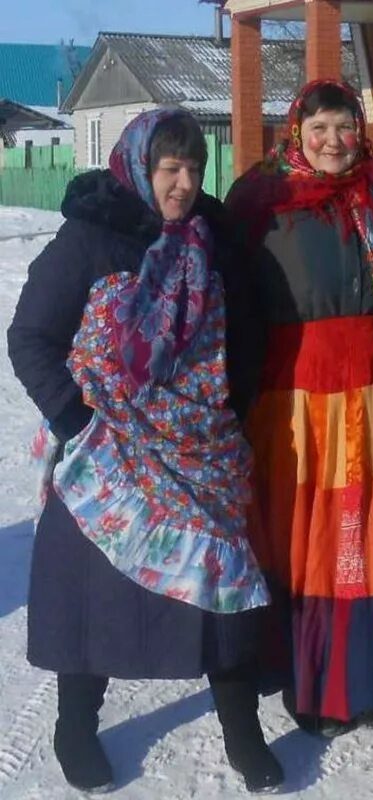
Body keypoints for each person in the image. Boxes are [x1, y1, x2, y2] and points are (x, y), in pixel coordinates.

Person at [7, 108, 282, 793]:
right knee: (90, 591)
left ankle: (240, 728)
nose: (184, 183)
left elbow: (245, 337)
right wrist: (77, 421)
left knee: (221, 587)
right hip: (105, 452)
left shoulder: (212, 239)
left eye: (193, 168)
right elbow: (31, 337)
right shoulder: (91, 236)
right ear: (139, 168)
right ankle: (75, 725)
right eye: (170, 169)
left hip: (199, 449)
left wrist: (225, 419)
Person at [225, 80, 373, 738]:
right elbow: (222, 290)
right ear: (296, 130)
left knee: (367, 542)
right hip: (287, 400)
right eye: (318, 127)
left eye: (344, 126)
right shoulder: (259, 197)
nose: (331, 141)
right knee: (301, 544)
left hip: (370, 392)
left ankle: (372, 675)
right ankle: (306, 676)